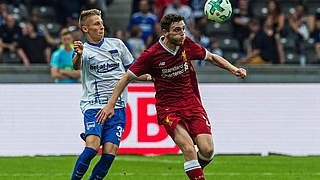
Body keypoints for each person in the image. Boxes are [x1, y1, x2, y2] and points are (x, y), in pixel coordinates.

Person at [95, 14, 246, 180]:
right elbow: (126, 77)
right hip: (169, 109)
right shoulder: (152, 54)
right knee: (188, 150)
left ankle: (194, 171)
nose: (182, 33)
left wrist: (234, 69)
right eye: (177, 30)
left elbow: (211, 57)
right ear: (165, 32)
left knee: (207, 150)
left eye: (183, 29)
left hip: (192, 104)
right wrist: (110, 104)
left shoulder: (186, 44)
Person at [70, 9, 151, 180]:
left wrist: (152, 76)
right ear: (85, 29)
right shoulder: (83, 50)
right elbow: (76, 66)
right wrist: (78, 54)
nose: (101, 26)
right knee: (92, 148)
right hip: (94, 105)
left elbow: (134, 70)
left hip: (118, 106)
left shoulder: (117, 44)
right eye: (96, 24)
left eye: (101, 23)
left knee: (108, 155)